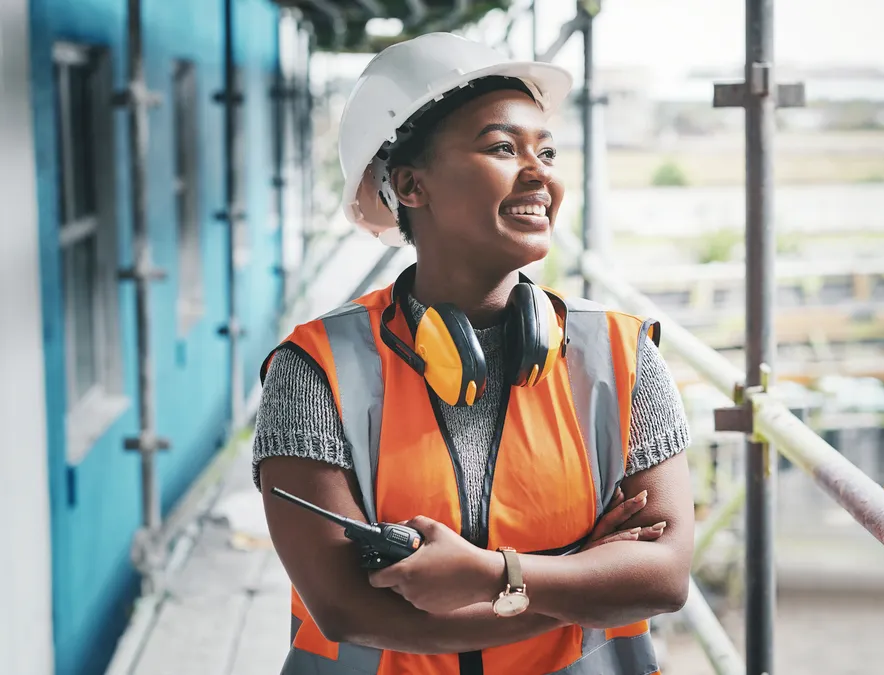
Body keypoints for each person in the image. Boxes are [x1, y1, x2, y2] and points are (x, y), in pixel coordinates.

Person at [253, 32, 695, 675]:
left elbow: (663, 578)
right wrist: (582, 575)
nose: (541, 173)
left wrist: (490, 575)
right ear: (410, 185)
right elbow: (348, 610)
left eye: (545, 150)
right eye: (501, 147)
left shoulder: (620, 357)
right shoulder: (315, 371)